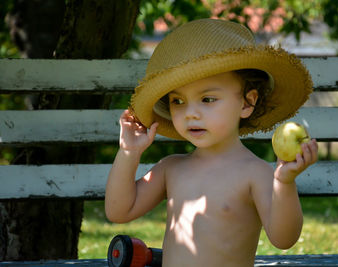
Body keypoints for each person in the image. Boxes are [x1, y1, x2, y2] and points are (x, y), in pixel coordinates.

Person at [105, 18, 318, 267]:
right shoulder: (171, 169)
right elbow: (119, 211)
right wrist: (129, 152)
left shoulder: (253, 172)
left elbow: (284, 239)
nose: (190, 113)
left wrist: (284, 182)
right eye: (178, 101)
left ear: (247, 103)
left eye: (207, 99)